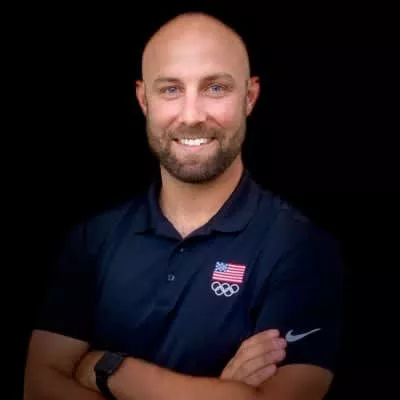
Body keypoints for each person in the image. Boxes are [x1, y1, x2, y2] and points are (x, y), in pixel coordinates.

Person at [24, 11, 344, 400]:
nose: (192, 116)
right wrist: (221, 392)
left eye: (215, 88)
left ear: (249, 96)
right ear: (144, 99)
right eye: (171, 90)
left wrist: (111, 370)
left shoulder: (299, 248)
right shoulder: (92, 240)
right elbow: (38, 387)